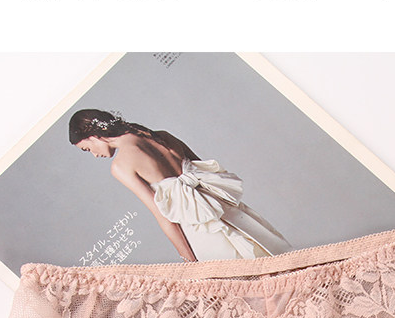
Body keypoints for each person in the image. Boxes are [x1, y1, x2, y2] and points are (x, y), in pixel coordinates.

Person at [68, 109, 293, 261]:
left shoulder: (120, 166)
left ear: (93, 135)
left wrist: (190, 261)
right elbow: (209, 174)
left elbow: (163, 217)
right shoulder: (163, 136)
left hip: (201, 229)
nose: (94, 155)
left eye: (87, 149)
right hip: (232, 215)